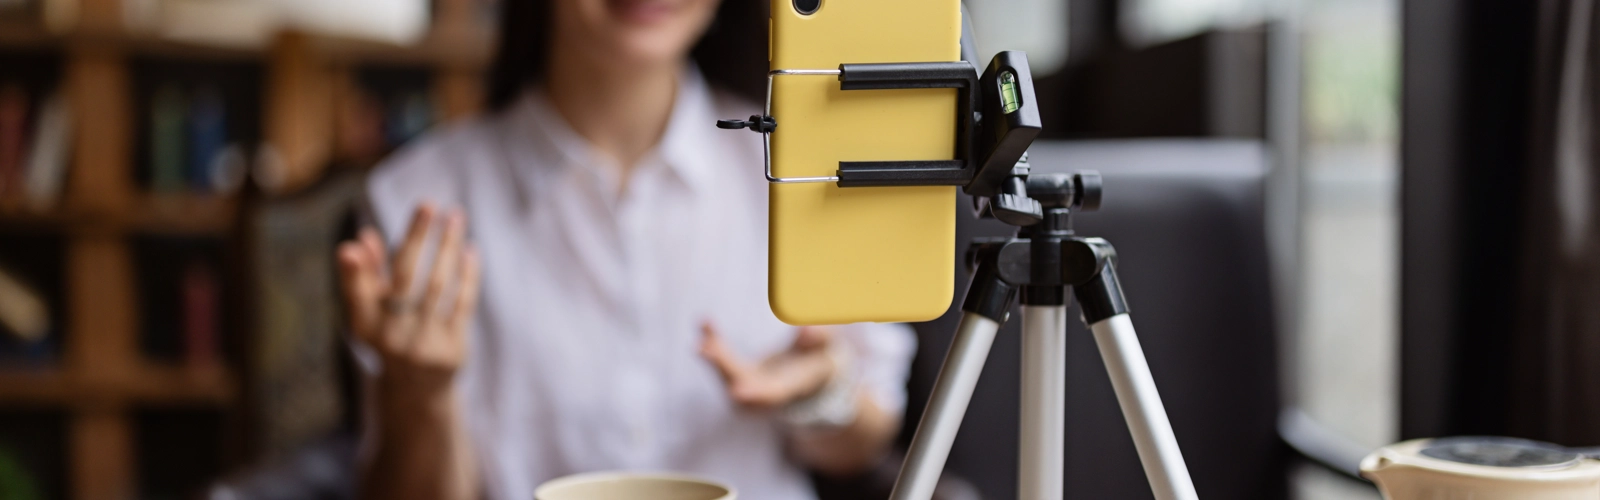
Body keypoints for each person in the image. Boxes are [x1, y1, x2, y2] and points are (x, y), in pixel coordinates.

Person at [333, 0, 917, 498]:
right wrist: (421, 395)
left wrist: (820, 394)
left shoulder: (803, 175)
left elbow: (868, 437)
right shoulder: (416, 199)